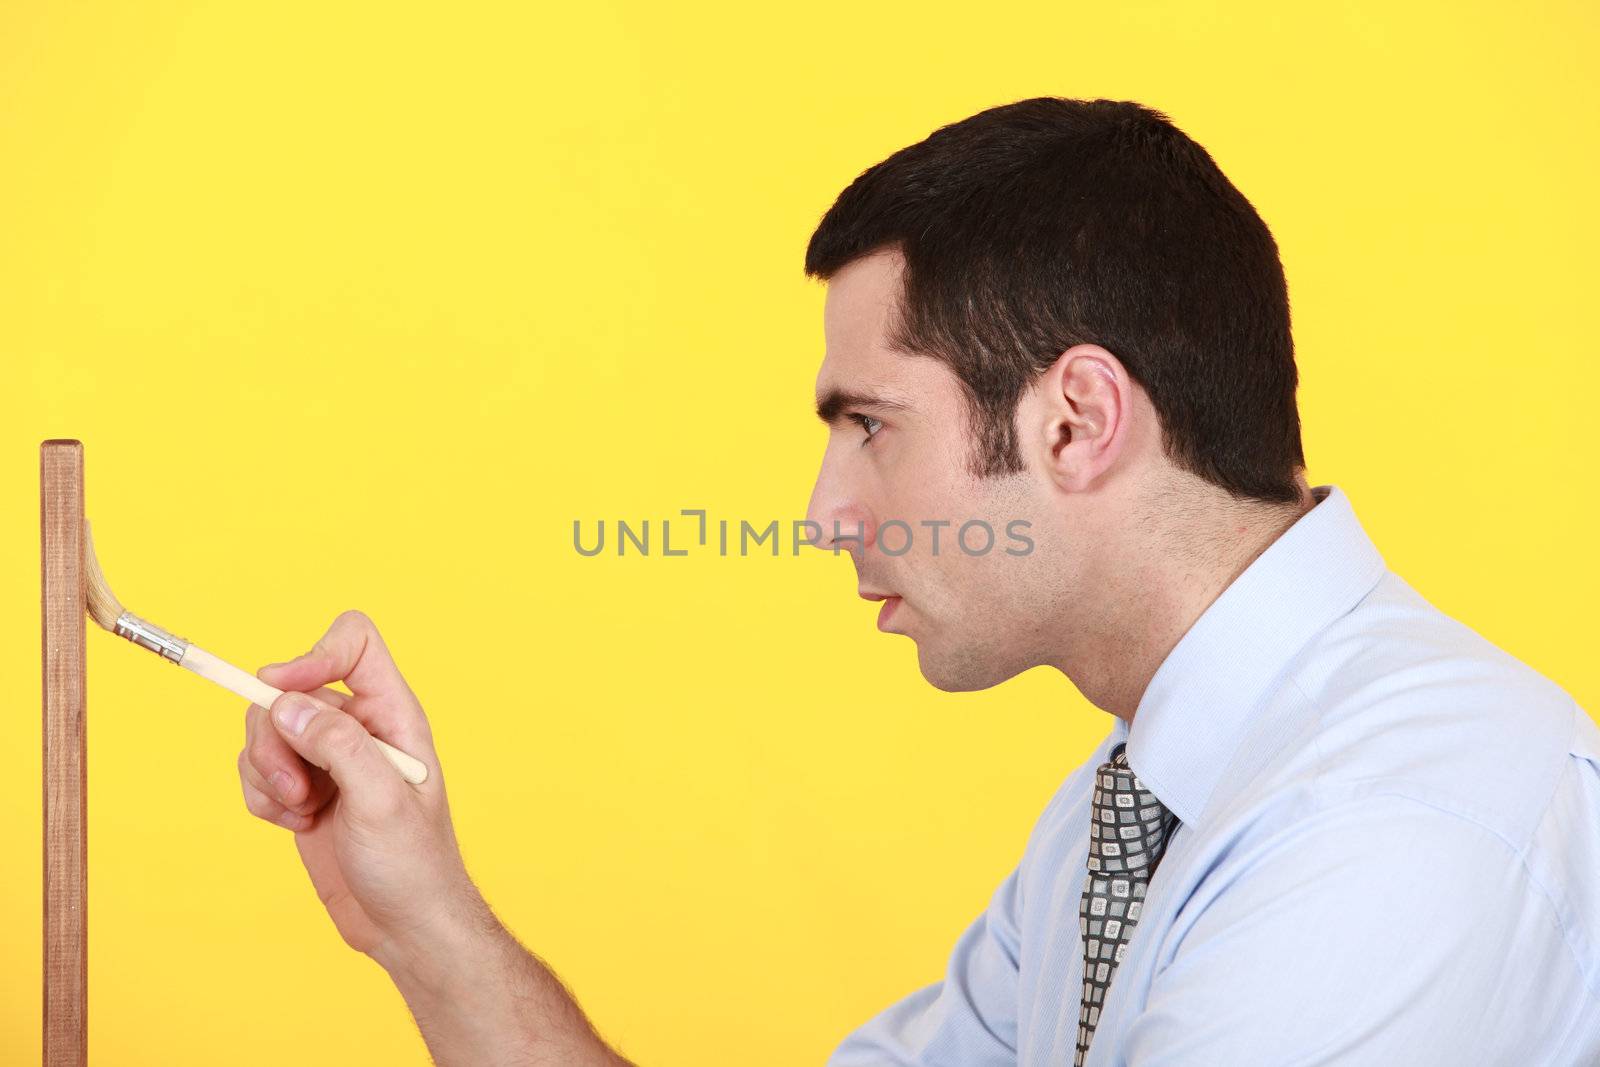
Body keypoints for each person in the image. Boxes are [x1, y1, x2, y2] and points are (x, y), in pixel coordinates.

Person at [237, 98, 1600, 1065]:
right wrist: (425, 923)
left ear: (1075, 422)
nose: (827, 519)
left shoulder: (1400, 828)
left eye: (869, 425)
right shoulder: (1122, 819)